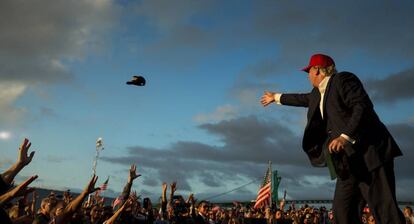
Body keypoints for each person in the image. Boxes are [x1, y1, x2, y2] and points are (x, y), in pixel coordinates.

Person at [260, 54, 404, 223]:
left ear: (318, 70)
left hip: (370, 156)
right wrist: (275, 97)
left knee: (385, 211)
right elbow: (301, 98)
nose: (307, 76)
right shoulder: (317, 95)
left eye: (309, 71)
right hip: (348, 163)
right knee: (342, 212)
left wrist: (345, 137)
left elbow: (361, 106)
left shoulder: (343, 80)